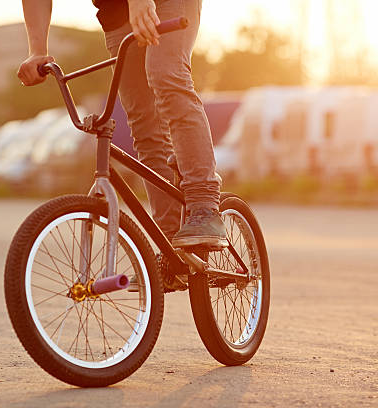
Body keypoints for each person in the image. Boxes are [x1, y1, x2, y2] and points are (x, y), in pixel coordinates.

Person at [17, 0, 226, 249]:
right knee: (143, 122)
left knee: (167, 78)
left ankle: (204, 205)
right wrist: (37, 50)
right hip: (115, 13)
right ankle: (170, 242)